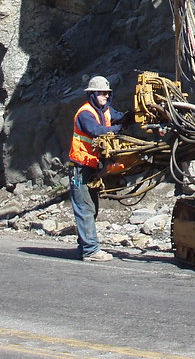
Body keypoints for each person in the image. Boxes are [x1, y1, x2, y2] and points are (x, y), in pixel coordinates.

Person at [69, 75, 124, 261]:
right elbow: (95, 131)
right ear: (92, 94)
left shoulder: (106, 110)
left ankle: (84, 247)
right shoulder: (85, 113)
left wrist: (133, 116)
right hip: (80, 168)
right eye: (101, 93)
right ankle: (91, 251)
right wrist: (117, 130)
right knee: (85, 208)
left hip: (91, 168)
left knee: (91, 209)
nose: (105, 97)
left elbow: (120, 118)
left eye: (107, 94)